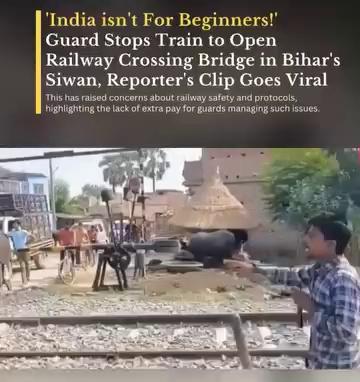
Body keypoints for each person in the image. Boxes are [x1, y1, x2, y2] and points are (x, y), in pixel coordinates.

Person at [225, 214, 360, 369]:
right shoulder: (320, 270)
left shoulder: (343, 279)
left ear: (330, 244)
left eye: (312, 236)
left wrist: (311, 307)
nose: (306, 240)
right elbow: (291, 275)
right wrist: (254, 269)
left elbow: (346, 332)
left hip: (338, 369)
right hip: (320, 363)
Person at [8, 220, 34, 285]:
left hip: (25, 249)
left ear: (18, 224)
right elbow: (6, 235)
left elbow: (33, 237)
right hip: (18, 251)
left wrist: (27, 242)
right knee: (22, 266)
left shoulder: (23, 232)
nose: (13, 225)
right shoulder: (12, 232)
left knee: (27, 264)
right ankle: (24, 281)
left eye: (15, 224)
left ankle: (27, 278)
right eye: (13, 224)